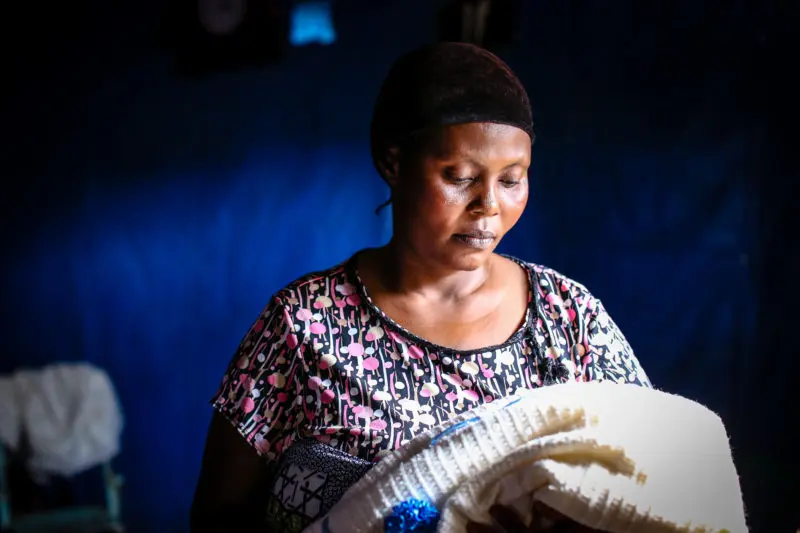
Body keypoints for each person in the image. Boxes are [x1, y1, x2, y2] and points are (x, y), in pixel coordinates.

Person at [190, 42, 651, 533]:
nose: (488, 205)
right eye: (460, 176)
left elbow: (649, 476)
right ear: (393, 163)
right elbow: (217, 517)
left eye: (512, 180)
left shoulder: (568, 316)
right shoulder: (304, 323)